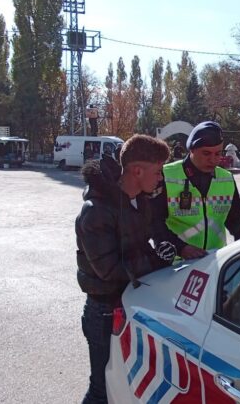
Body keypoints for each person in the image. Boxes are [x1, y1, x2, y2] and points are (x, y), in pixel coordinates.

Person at [75, 134, 176, 404]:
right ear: (137, 170)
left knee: (121, 386)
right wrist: (158, 261)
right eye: (157, 171)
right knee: (101, 389)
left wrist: (166, 256)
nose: (160, 179)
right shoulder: (95, 211)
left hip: (129, 305)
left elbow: (140, 249)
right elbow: (109, 269)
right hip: (104, 311)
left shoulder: (138, 201)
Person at [150, 121, 240, 259]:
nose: (213, 159)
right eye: (206, 153)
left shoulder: (226, 179)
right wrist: (181, 248)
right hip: (175, 266)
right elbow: (154, 224)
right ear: (192, 149)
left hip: (213, 262)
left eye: (218, 154)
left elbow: (234, 221)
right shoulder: (165, 175)